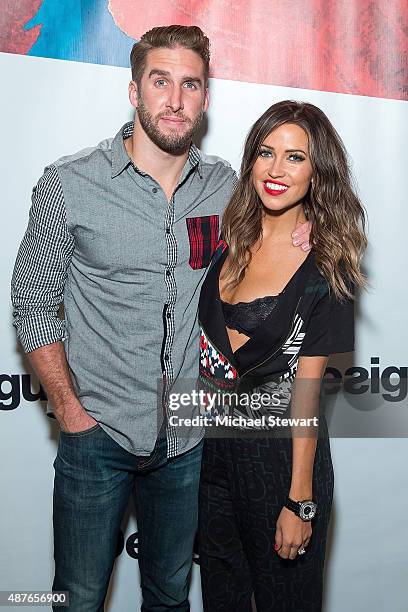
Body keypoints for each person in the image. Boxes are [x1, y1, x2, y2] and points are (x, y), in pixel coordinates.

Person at [10, 26, 310, 611]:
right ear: (134, 90)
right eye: (160, 81)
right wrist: (72, 414)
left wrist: (306, 228)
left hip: (187, 440)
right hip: (96, 434)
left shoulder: (227, 186)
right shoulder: (70, 184)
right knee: (78, 598)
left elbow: (285, 206)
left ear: (206, 97)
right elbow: (32, 303)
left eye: (190, 84)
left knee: (171, 595)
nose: (175, 100)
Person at [197, 100, 367, 611]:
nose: (276, 170)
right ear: (250, 160)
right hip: (209, 457)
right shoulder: (224, 240)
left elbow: (307, 396)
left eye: (296, 157)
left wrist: (300, 499)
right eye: (266, 153)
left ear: (318, 172)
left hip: (281, 462)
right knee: (221, 601)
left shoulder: (325, 267)